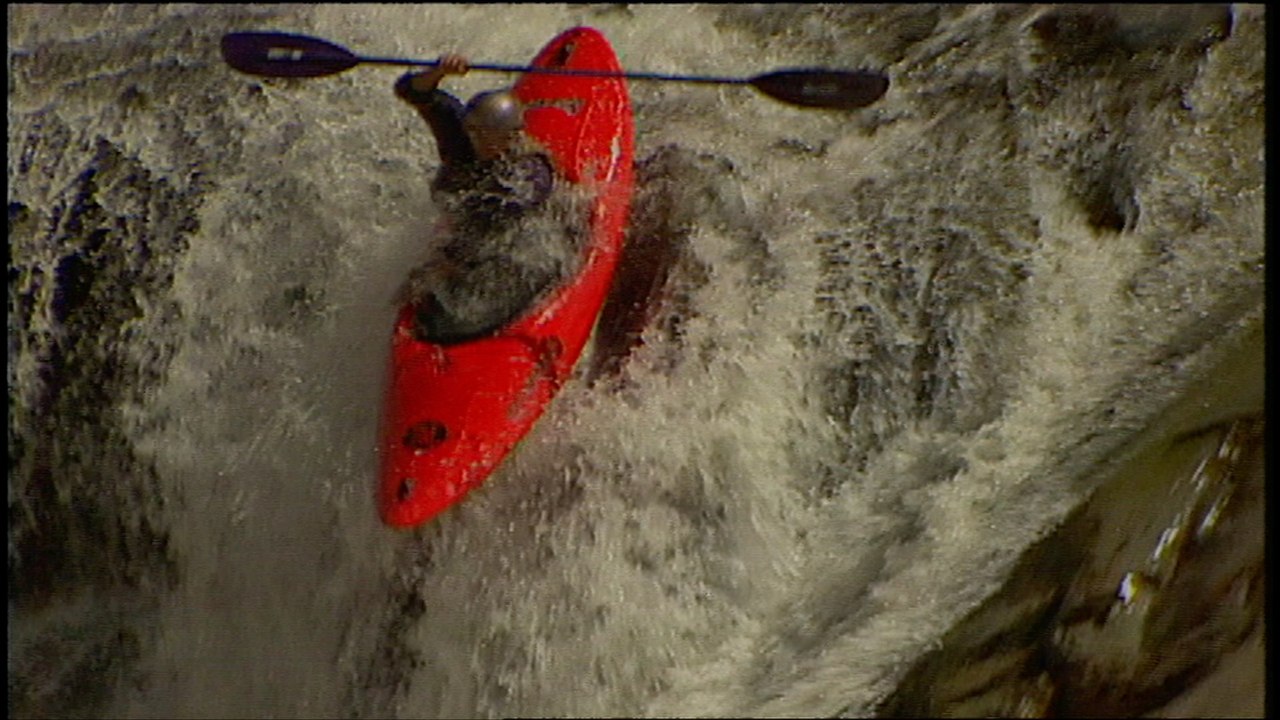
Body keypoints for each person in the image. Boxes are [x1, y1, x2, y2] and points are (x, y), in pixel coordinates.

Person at [394, 54, 585, 344]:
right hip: (467, 231)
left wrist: (445, 262)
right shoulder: (464, 134)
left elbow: (494, 222)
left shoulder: (529, 171)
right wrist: (439, 71)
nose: (476, 141)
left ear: (511, 136)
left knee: (510, 270)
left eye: (485, 136)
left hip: (508, 246)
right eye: (474, 132)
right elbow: (412, 90)